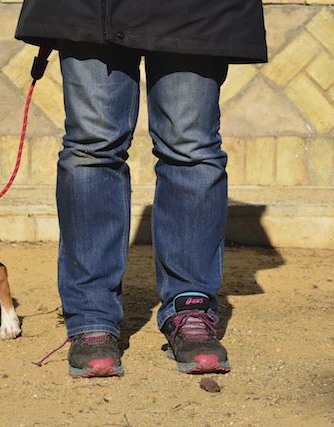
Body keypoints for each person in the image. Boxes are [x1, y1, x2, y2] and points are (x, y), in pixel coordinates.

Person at [15, 1, 267, 377]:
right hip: (89, 9)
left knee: (192, 148)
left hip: (197, 9)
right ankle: (91, 315)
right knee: (92, 147)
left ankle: (190, 305)